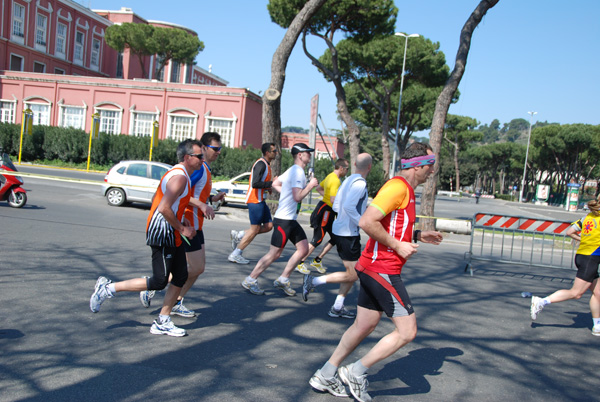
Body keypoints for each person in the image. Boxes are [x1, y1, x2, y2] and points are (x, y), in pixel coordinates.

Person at [308, 143, 443, 401]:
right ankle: (356, 372)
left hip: (371, 267)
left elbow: (388, 224)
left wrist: (417, 235)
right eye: (430, 166)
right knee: (407, 332)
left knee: (364, 324)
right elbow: (366, 221)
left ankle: (325, 374)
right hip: (382, 269)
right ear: (418, 165)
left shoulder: (405, 190)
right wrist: (397, 246)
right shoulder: (397, 187)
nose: (432, 172)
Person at [89, 139, 203, 337]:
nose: (203, 160)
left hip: (171, 230)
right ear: (187, 157)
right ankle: (108, 288)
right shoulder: (180, 178)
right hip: (163, 233)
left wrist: (181, 220)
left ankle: (163, 320)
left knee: (180, 276)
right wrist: (182, 228)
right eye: (199, 156)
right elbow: (163, 207)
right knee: (160, 281)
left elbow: (158, 200)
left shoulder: (178, 174)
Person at [139, 132, 226, 317]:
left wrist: (210, 199)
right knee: (192, 268)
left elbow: (195, 192)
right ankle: (153, 287)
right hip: (187, 222)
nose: (218, 152)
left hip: (196, 224)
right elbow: (184, 193)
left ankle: (172, 297)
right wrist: (201, 205)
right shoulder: (198, 169)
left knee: (196, 268)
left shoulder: (205, 169)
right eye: (215, 148)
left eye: (220, 149)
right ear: (203, 148)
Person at [241, 143, 319, 296]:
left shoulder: (293, 170)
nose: (310, 155)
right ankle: (250, 279)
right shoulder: (297, 173)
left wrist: (286, 194)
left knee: (303, 249)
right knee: (274, 254)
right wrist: (310, 186)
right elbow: (297, 197)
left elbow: (276, 183)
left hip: (290, 219)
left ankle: (283, 279)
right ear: (300, 155)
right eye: (307, 153)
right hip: (284, 219)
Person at [302, 153, 372, 319]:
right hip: (349, 233)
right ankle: (314, 281)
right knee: (355, 273)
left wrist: (345, 219)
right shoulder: (360, 183)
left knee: (352, 272)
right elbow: (348, 206)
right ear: (369, 167)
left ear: (354, 164)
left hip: (342, 229)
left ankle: (337, 306)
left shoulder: (347, 180)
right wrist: (361, 222)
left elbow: (338, 205)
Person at [530, 195, 600, 336]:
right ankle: (542, 301)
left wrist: (584, 240)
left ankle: (597, 325)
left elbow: (569, 232)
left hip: (582, 256)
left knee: (598, 293)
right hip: (590, 259)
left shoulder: (587, 217)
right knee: (576, 293)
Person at [296, 158, 349, 275]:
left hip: (327, 210)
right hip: (325, 211)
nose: (347, 172)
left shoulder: (330, 176)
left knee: (335, 238)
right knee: (318, 238)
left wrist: (327, 198)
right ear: (341, 168)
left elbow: (319, 188)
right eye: (347, 169)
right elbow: (334, 200)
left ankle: (317, 260)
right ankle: (299, 262)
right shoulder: (335, 180)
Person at [229, 142, 278, 264]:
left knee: (268, 226)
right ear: (267, 153)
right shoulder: (261, 164)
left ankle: (239, 235)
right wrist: (272, 184)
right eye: (274, 151)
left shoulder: (266, 164)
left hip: (261, 200)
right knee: (254, 229)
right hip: (254, 200)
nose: (276, 153)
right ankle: (236, 254)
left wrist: (268, 187)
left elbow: (261, 182)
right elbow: (255, 183)